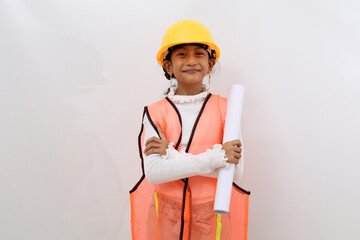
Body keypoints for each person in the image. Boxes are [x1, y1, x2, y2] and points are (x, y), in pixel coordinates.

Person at [130, 20, 250, 240]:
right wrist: (216, 157)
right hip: (167, 218)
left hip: (213, 218)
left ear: (210, 64)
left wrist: (171, 156)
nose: (191, 61)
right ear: (168, 66)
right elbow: (155, 173)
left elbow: (236, 171)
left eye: (199, 54)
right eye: (182, 55)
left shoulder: (227, 109)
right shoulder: (154, 113)